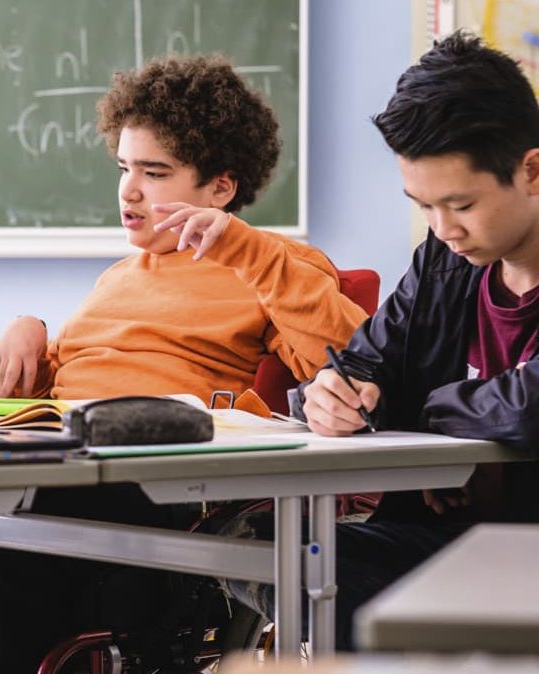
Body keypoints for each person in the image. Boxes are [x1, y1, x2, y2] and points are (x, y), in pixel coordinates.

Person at [0, 54, 367, 673]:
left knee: (7, 568)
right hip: (55, 469)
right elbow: (83, 382)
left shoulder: (274, 263)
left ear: (221, 188)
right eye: (125, 167)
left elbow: (353, 362)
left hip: (153, 493)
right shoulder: (119, 276)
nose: (128, 190)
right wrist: (34, 341)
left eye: (154, 173)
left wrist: (256, 258)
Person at [224, 30, 539, 650]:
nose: (443, 229)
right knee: (265, 544)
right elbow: (362, 365)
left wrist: (432, 410)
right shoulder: (441, 266)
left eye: (461, 204)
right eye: (423, 206)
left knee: (328, 580)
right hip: (451, 542)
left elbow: (529, 404)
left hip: (525, 545)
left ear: (532, 169)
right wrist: (329, 394)